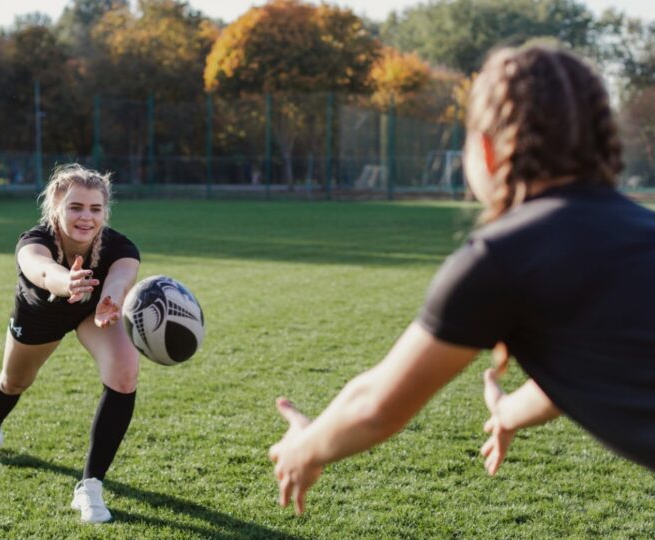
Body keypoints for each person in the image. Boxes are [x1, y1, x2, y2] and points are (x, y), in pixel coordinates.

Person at [268, 41, 654, 515]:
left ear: (487, 151)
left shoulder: (501, 257)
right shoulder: (641, 231)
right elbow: (599, 364)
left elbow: (376, 405)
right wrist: (508, 411)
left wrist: (303, 449)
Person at [0, 163, 141, 524]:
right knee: (14, 382)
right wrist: (68, 282)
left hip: (94, 313)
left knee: (125, 373)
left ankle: (90, 486)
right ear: (56, 207)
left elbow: (121, 278)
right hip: (39, 315)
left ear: (106, 211)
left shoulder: (121, 247)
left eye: (95, 208)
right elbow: (42, 271)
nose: (86, 217)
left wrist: (110, 300)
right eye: (75, 207)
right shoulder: (34, 241)